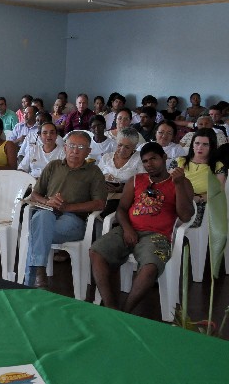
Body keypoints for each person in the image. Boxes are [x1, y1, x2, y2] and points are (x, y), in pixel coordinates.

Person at [90, 143, 194, 313]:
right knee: (96, 251)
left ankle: (126, 312)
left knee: (150, 267)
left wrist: (179, 185)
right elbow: (121, 209)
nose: (149, 164)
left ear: (164, 158)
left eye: (154, 159)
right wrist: (127, 229)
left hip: (157, 235)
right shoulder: (136, 180)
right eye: (145, 161)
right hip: (128, 229)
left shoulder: (181, 182)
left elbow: (186, 216)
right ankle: (110, 307)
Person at [23, 131, 107, 288]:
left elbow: (99, 203)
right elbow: (35, 194)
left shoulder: (94, 172)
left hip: (74, 220)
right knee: (42, 217)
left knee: (38, 232)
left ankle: (31, 281)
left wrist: (68, 207)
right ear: (65, 148)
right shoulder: (53, 166)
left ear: (88, 151)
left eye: (81, 147)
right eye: (72, 146)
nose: (75, 151)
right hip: (48, 214)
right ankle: (40, 273)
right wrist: (48, 201)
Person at [173, 128, 226, 227]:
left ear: (212, 147)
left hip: (198, 205)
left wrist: (200, 198)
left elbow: (218, 192)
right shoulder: (179, 161)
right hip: (174, 200)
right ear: (192, 145)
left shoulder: (217, 166)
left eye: (205, 144)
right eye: (197, 143)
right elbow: (167, 183)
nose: (200, 147)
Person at [98, 127, 144, 217]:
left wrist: (122, 189)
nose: (122, 150)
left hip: (124, 198)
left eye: (127, 147)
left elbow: (142, 184)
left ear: (134, 147)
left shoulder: (139, 159)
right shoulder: (107, 157)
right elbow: (96, 177)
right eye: (120, 145)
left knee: (106, 212)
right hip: (102, 193)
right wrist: (104, 179)